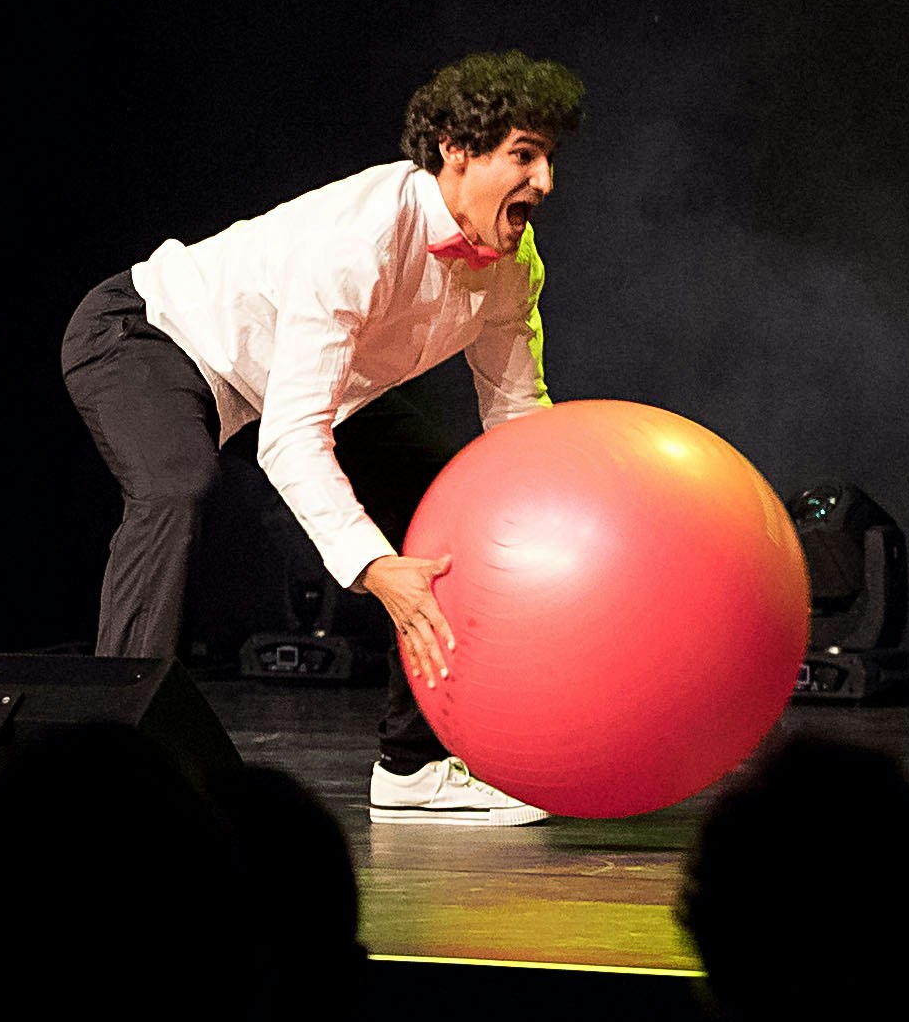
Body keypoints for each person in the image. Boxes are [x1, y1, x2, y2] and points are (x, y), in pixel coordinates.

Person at [62, 51, 577, 823]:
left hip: (285, 381)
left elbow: (512, 412)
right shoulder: (362, 238)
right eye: (524, 156)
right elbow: (293, 440)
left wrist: (543, 516)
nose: (544, 183)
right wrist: (374, 567)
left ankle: (414, 766)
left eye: (549, 159)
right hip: (154, 336)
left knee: (454, 501)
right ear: (456, 152)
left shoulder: (510, 262)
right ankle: (108, 768)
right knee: (177, 487)